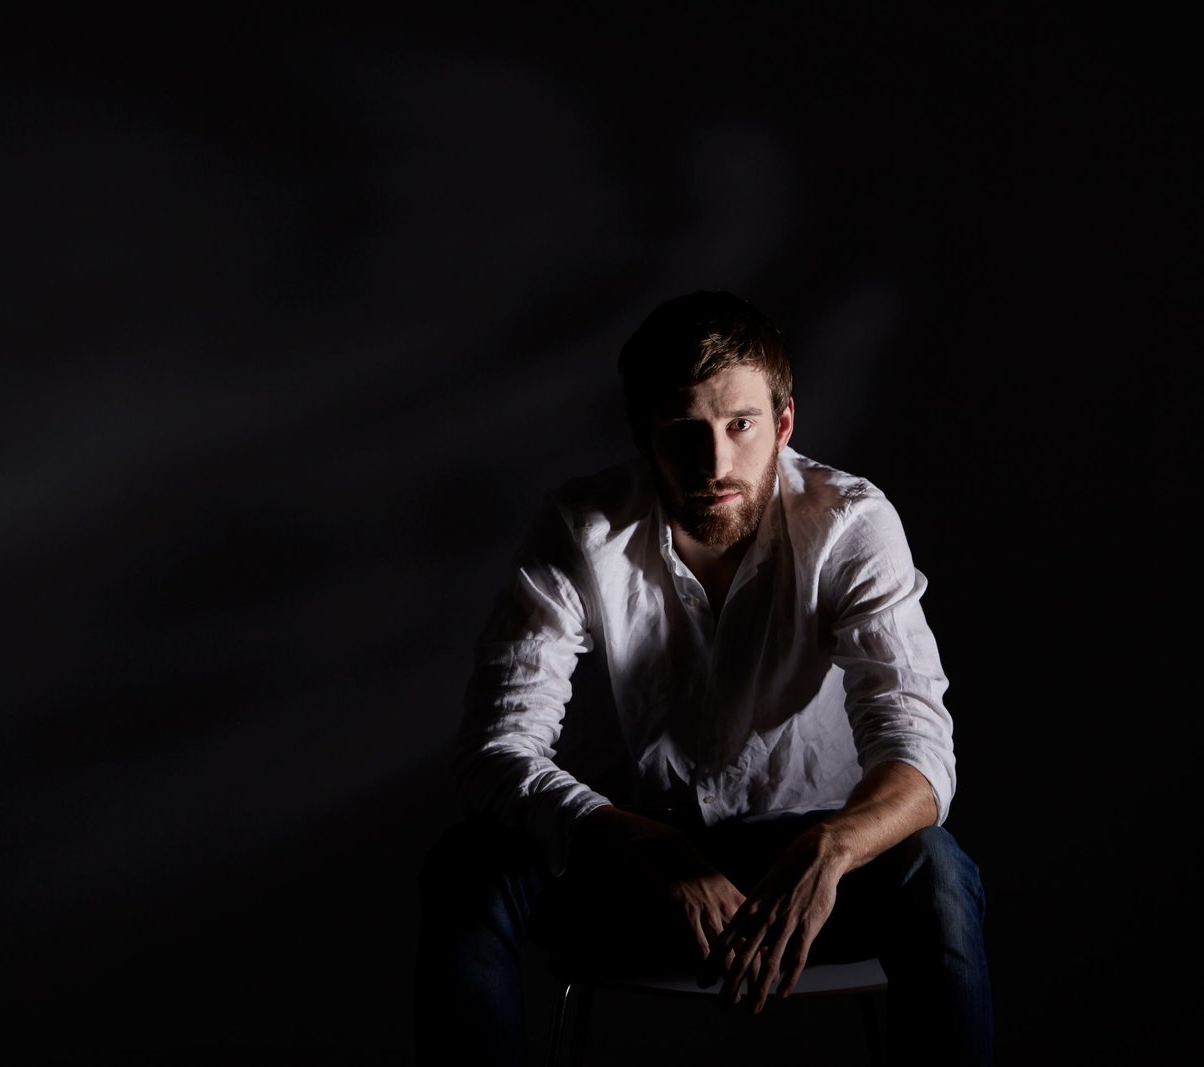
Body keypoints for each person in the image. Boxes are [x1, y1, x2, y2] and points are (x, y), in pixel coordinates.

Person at [412, 289, 992, 1066]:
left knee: (939, 872)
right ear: (642, 434)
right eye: (685, 431)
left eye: (740, 425)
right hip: (629, 863)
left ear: (784, 423)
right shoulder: (582, 527)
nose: (715, 464)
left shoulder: (851, 524)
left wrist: (830, 850)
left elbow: (921, 756)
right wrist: (638, 841)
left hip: (808, 866)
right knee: (468, 866)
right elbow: (494, 752)